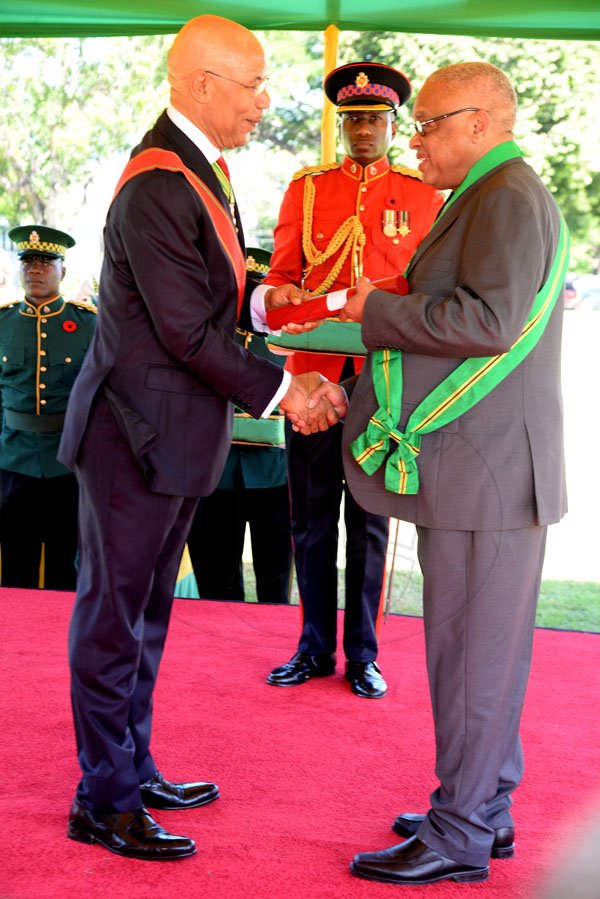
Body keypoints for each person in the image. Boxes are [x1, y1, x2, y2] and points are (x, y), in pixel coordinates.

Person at [58, 15, 337, 863]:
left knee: (145, 615)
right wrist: (288, 390)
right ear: (200, 83)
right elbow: (184, 331)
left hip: (171, 438)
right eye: (253, 83)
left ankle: (132, 767)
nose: (264, 100)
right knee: (114, 620)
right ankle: (101, 801)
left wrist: (294, 303)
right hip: (133, 438)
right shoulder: (157, 181)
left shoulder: (196, 171)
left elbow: (220, 295)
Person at [308, 61, 568, 884]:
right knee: (474, 652)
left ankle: (460, 833)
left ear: (483, 122)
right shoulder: (494, 193)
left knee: (472, 657)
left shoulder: (507, 195)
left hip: (485, 467)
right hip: (479, 463)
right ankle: (481, 808)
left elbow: (486, 321)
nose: (415, 137)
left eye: (428, 123)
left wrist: (370, 311)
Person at [259, 62, 443, 698]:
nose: (364, 130)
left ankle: (363, 653)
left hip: (382, 377)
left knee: (370, 519)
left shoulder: (423, 194)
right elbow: (282, 280)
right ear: (341, 126)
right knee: (310, 517)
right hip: (312, 377)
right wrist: (290, 303)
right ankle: (312, 647)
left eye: (375, 119)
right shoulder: (306, 189)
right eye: (353, 120)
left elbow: (425, 291)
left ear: (393, 125)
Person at [187, 248, 292, 603]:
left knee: (274, 585)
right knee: (217, 585)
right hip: (214, 471)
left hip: (276, 473)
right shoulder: (202, 331)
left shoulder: (288, 332)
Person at [0, 225, 96, 589]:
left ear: (63, 271)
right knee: (14, 564)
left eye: (46, 261)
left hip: (67, 462)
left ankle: (59, 642)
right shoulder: (3, 322)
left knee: (64, 565)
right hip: (12, 460)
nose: (36, 270)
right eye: (28, 262)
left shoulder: (89, 324)